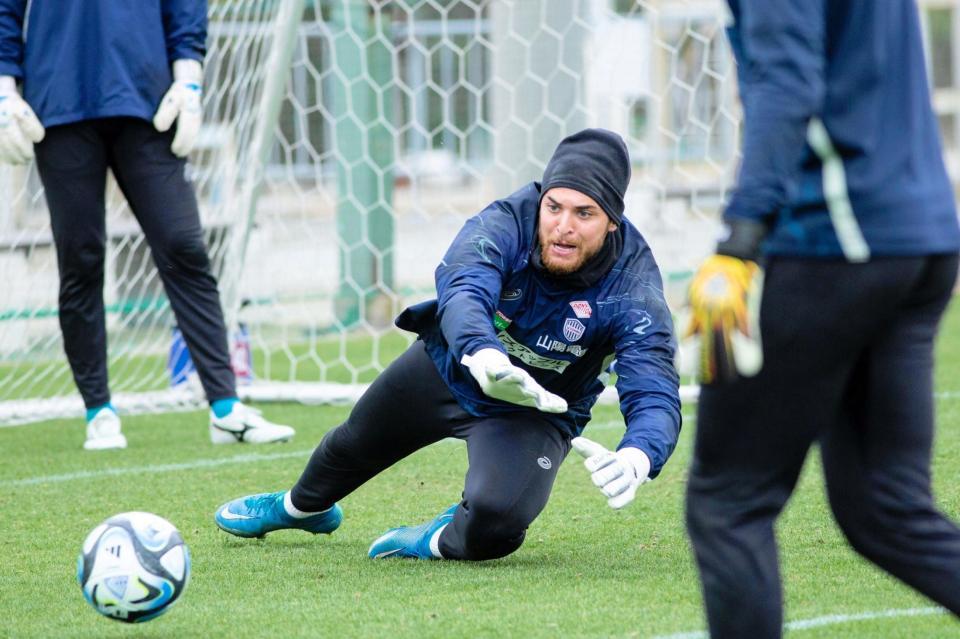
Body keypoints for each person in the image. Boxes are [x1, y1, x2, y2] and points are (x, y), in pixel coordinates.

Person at [213, 128, 682, 562]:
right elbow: (464, 287)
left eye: (585, 214)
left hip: (535, 411)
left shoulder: (633, 288)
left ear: (613, 222)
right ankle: (299, 510)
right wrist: (482, 352)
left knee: (495, 524)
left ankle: (430, 538)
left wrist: (640, 453)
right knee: (351, 445)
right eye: (554, 207)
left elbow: (654, 386)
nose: (564, 226)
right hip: (453, 366)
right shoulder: (505, 221)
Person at [684, 1, 960, 636]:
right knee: (885, 510)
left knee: (729, 500)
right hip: (920, 237)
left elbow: (789, 82)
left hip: (835, 240)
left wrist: (738, 242)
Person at [0, 0, 294, 449]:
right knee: (81, 256)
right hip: (58, 101)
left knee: (183, 246)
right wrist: (5, 86)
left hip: (148, 98)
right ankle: (98, 411)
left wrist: (188, 77)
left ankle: (225, 407)